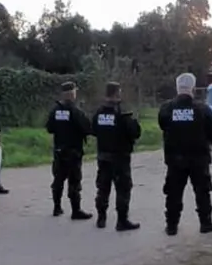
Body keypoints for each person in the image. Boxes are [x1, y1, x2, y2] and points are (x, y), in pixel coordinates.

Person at [158, 72, 212, 236]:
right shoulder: (202, 109)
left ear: (177, 88)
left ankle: (171, 226)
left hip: (175, 159)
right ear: (193, 88)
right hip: (198, 159)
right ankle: (205, 223)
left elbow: (163, 125)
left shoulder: (167, 108)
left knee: (173, 193)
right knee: (202, 191)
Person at [91, 82, 142, 231]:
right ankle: (122, 221)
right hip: (120, 157)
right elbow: (135, 132)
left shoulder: (99, 113)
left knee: (103, 188)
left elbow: (93, 130)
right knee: (123, 189)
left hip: (103, 156)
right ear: (116, 94)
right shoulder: (122, 114)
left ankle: (101, 218)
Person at [45, 81, 92, 219]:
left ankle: (57, 207)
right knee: (74, 181)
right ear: (72, 94)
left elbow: (49, 128)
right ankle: (76, 210)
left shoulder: (56, 110)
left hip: (59, 150)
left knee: (58, 179)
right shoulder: (76, 111)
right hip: (74, 151)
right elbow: (87, 128)